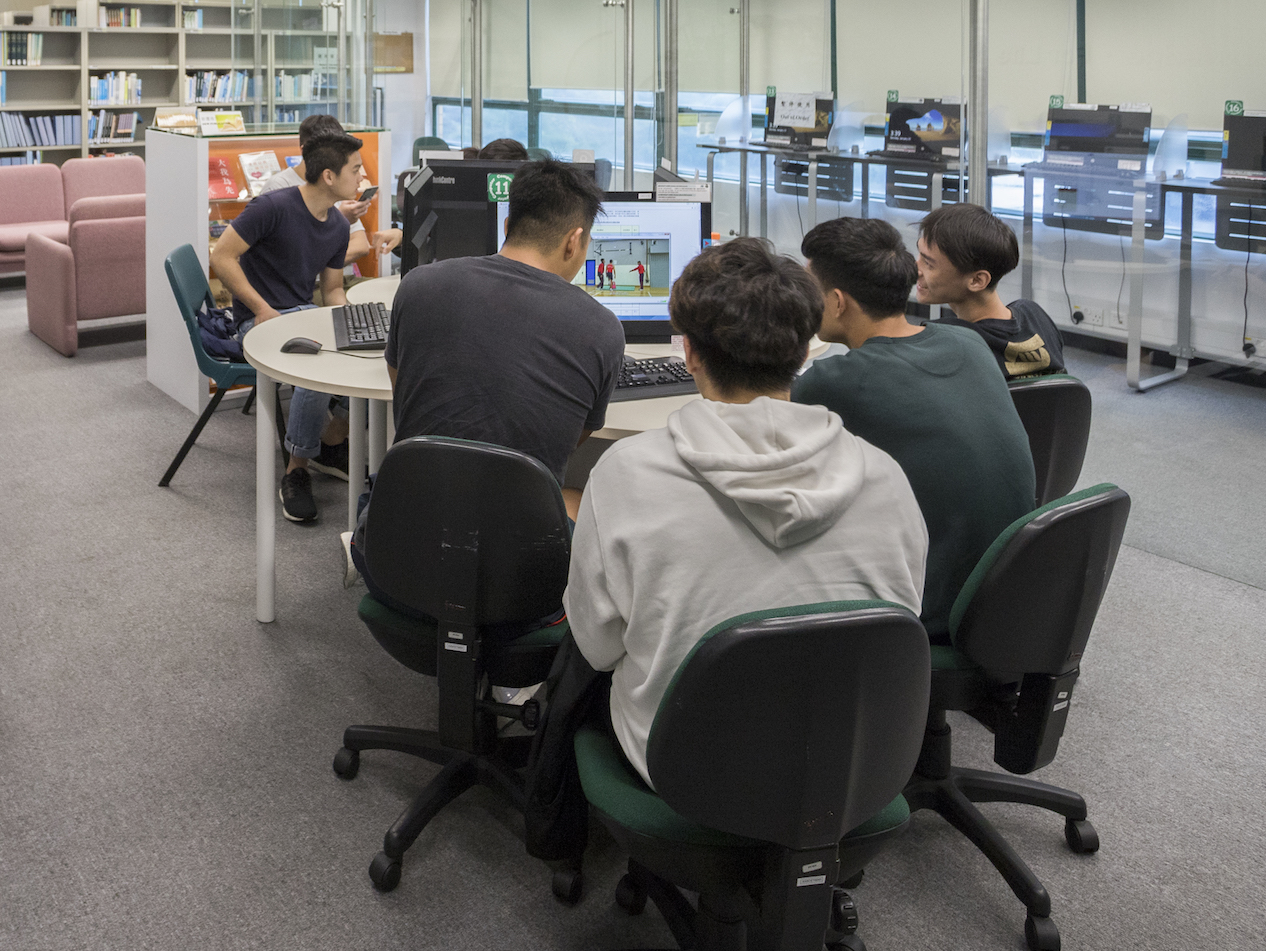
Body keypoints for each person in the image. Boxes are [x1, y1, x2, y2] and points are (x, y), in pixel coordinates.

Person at [565, 237, 927, 786]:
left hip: (685, 765)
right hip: (848, 764)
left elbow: (597, 646)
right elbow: (900, 621)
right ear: (806, 352)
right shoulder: (886, 477)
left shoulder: (626, 473)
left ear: (688, 352)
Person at [790, 217, 1036, 640]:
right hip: (1010, 593)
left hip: (933, 611)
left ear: (836, 301)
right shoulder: (967, 342)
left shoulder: (834, 381)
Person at [380, 158, 626, 522]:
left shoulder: (417, 284)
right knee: (580, 496)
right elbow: (567, 436)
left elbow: (404, 395)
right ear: (574, 241)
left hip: (404, 534)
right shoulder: (603, 329)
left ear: (508, 225)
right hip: (519, 564)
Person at [210, 130, 367, 522]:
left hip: (300, 316)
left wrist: (352, 321)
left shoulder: (337, 226)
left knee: (365, 361)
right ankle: (297, 469)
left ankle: (330, 441)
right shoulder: (272, 207)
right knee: (317, 370)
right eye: (356, 169)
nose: (362, 179)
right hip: (258, 323)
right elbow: (221, 256)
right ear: (329, 176)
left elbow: (331, 290)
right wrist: (261, 309)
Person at [914, 203, 1067, 379]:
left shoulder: (942, 341)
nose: (916, 269)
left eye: (928, 264)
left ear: (977, 280)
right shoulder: (1036, 317)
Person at [255, 115, 400, 265]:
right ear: (305, 150)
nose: (360, 178)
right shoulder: (278, 190)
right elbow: (292, 253)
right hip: (308, 283)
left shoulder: (338, 184)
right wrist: (337, 220)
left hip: (336, 276)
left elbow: (360, 246)